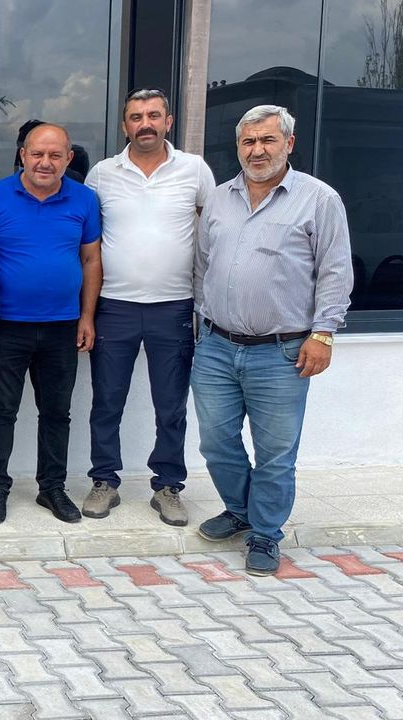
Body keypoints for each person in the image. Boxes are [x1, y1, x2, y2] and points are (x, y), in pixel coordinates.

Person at [193, 104, 352, 576]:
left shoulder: (319, 199)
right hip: (216, 346)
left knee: (276, 454)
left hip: (282, 351)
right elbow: (203, 265)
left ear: (289, 143)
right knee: (216, 442)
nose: (257, 150)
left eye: (267, 140)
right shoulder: (219, 198)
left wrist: (323, 334)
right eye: (249, 141)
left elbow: (335, 271)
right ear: (238, 147)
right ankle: (239, 510)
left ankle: (265, 532)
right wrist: (201, 324)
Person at [82, 89, 216, 526]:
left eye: (153, 115)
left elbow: (214, 229)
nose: (145, 124)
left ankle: (168, 486)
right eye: (136, 117)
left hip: (173, 307)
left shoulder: (194, 170)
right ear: (125, 126)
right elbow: (88, 244)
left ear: (168, 122)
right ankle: (104, 481)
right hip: (114, 307)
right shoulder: (102, 174)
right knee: (107, 401)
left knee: (171, 405)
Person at [0, 122, 102, 525]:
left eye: (55, 155)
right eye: (37, 154)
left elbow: (91, 260)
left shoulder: (84, 199)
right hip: (7, 326)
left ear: (69, 158)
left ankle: (52, 488)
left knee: (56, 412)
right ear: (22, 155)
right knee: (1, 411)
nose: (45, 162)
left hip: (63, 326)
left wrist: (87, 317)